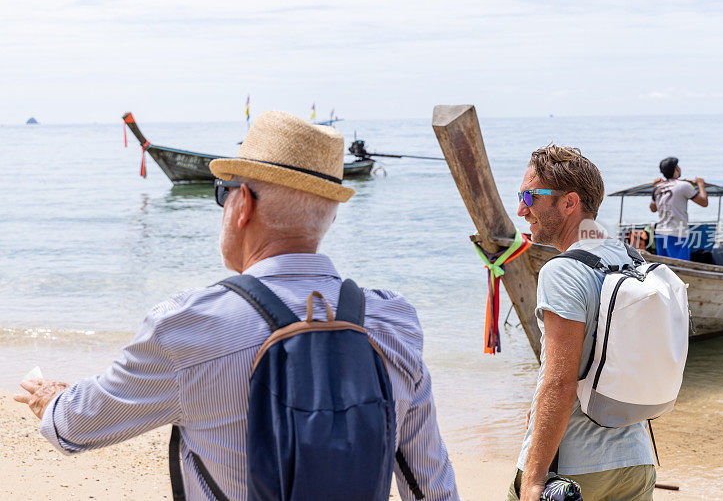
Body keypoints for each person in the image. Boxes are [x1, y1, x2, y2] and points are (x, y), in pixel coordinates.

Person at [14, 111, 459, 501]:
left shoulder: (189, 327)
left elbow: (76, 426)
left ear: (242, 204)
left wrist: (53, 401)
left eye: (222, 193)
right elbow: (429, 482)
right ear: (332, 214)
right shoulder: (392, 320)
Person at [509, 145, 656, 501]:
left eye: (529, 195)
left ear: (569, 203)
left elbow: (560, 384)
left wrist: (532, 481)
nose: (521, 209)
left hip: (573, 473)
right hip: (636, 463)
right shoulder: (631, 259)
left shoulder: (563, 271)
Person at [650, 156, 708, 260]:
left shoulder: (657, 187)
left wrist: (655, 187)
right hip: (676, 233)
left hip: (660, 233)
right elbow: (704, 202)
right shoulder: (683, 186)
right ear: (676, 168)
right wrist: (700, 185)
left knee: (664, 268)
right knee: (679, 266)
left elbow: (653, 208)